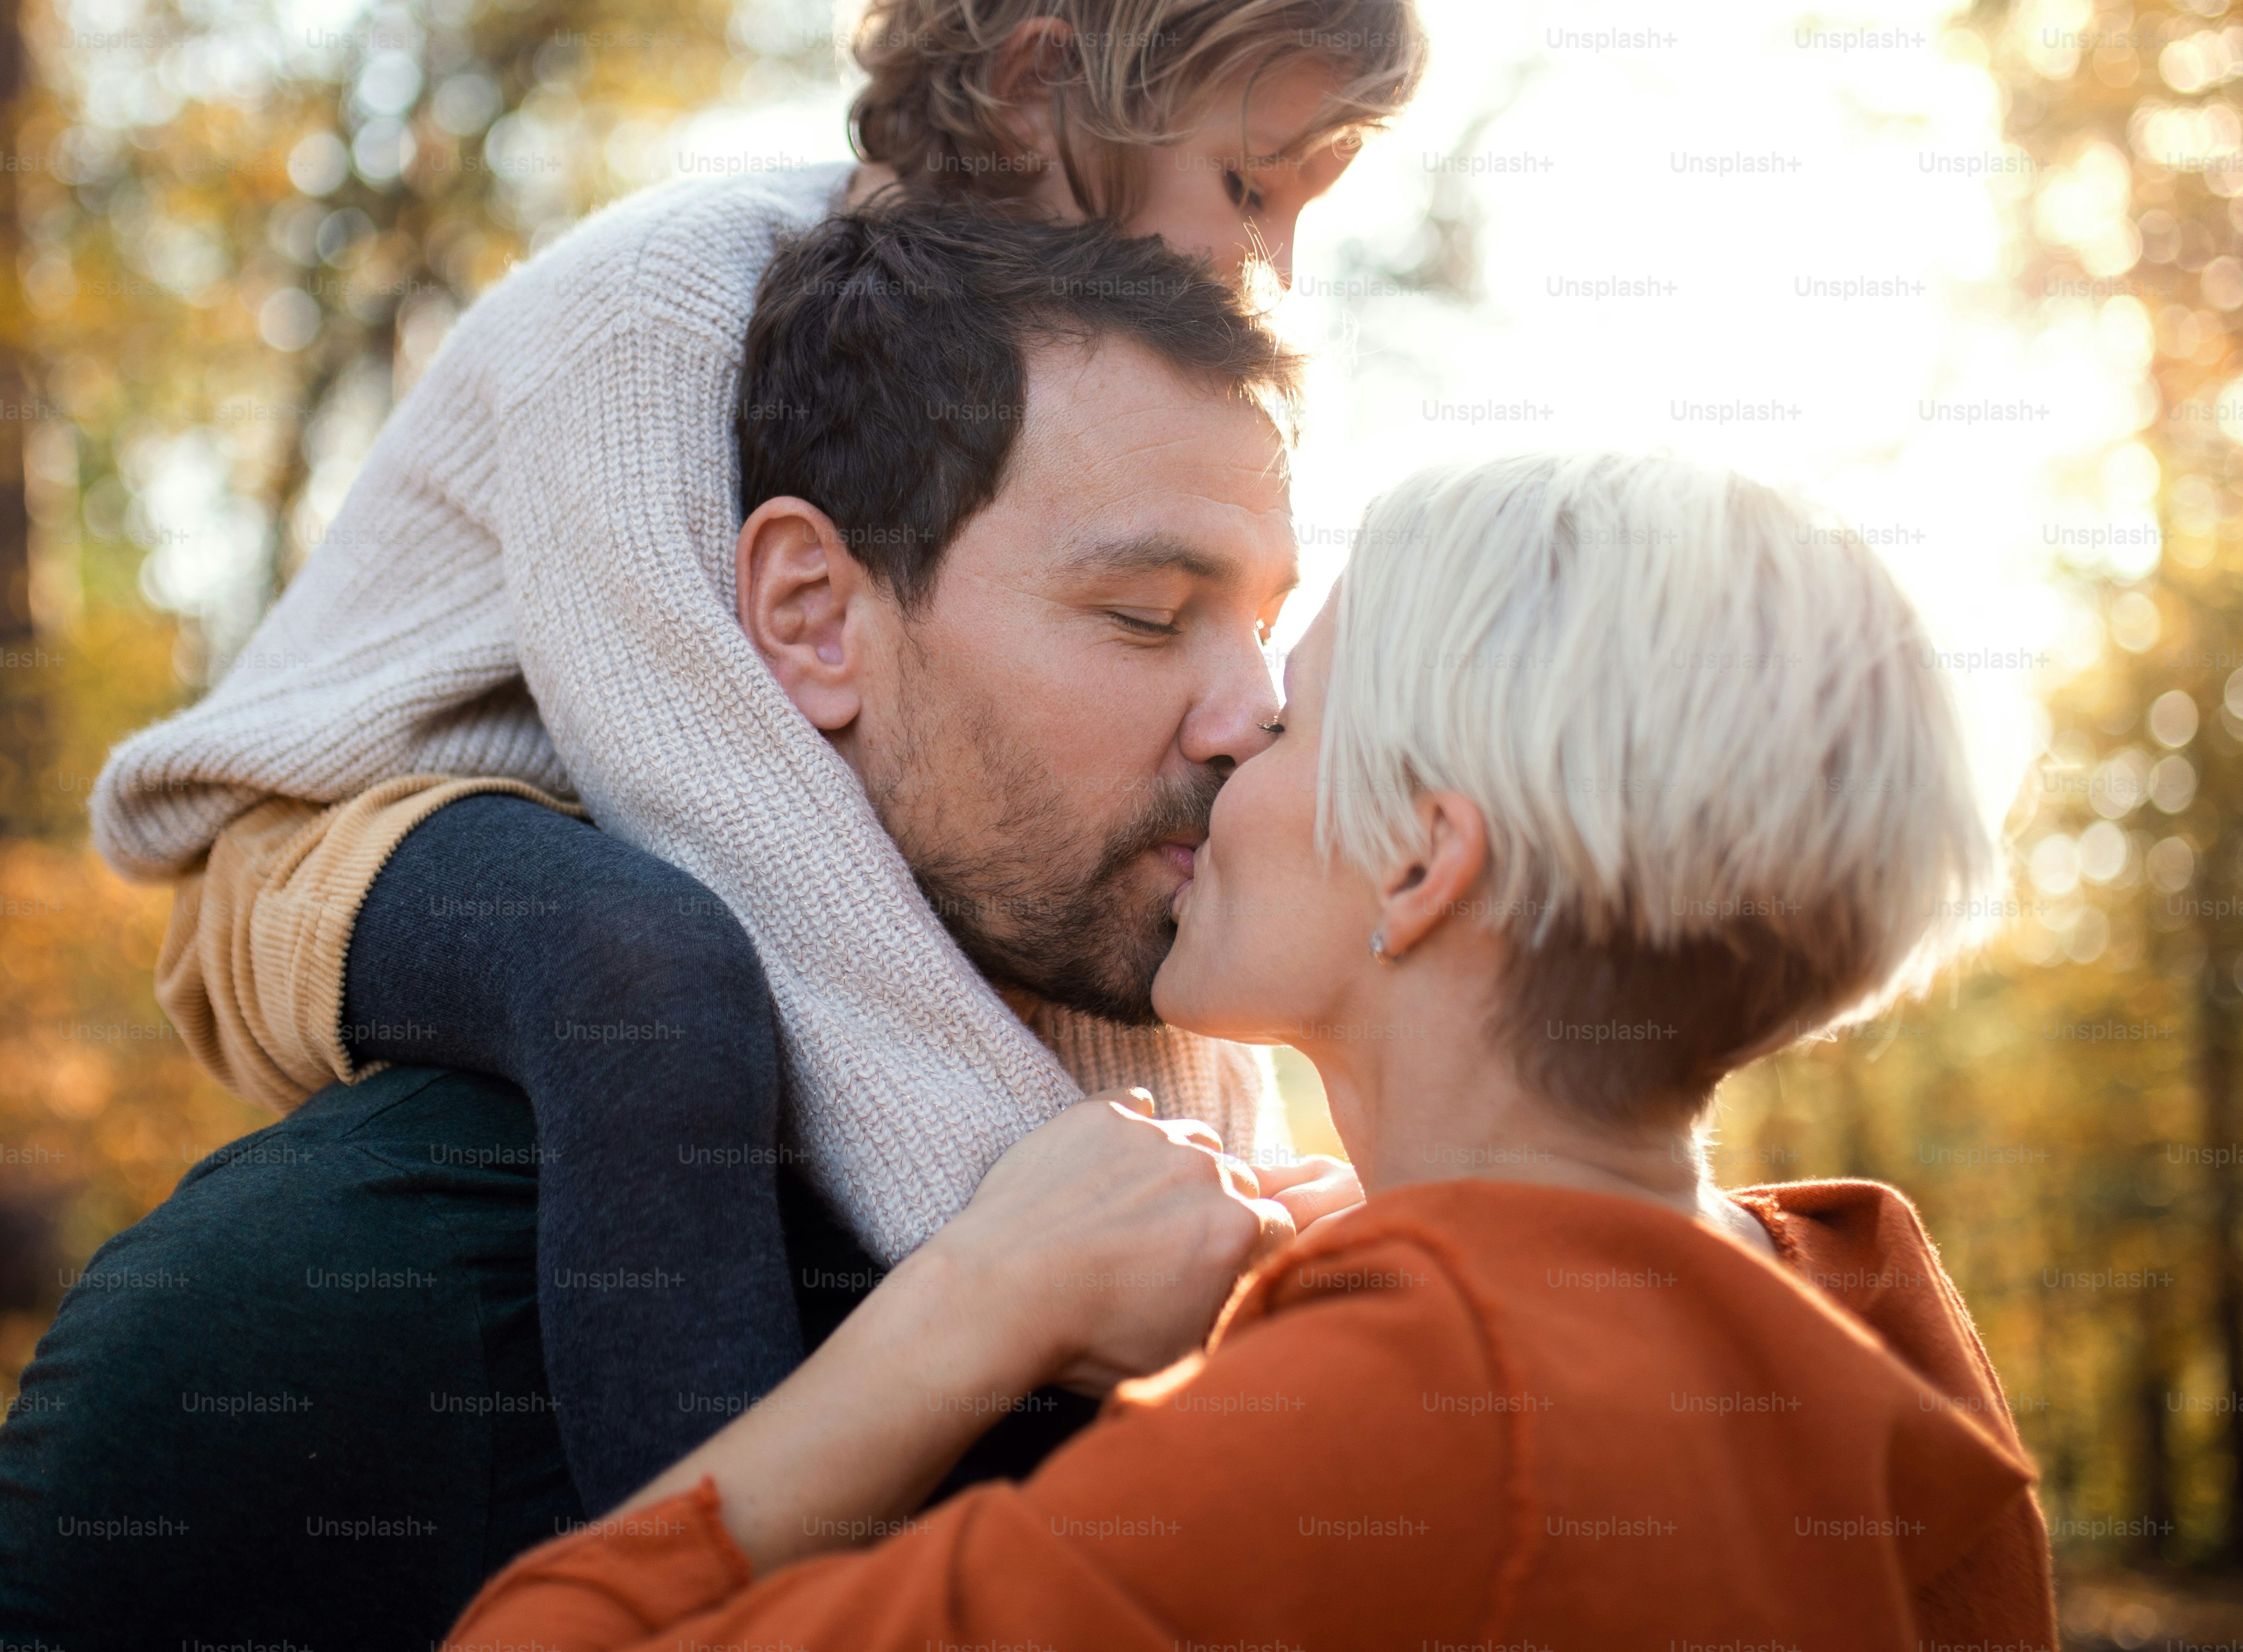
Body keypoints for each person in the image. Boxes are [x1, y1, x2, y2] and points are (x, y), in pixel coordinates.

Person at [80, 0, 1420, 1513]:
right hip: (343, 831)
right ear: (1044, 87)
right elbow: (728, 815)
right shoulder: (658, 308)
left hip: (636, 785)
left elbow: (1077, 872)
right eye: (1249, 187)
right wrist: (1031, 1244)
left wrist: (1228, 1214)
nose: (1271, 265)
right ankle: (699, 1568)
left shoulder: (1049, 394)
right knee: (640, 970)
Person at [446, 452, 2061, 1651]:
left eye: (1288, 724)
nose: (1228, 740)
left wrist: (977, 1297)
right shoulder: (1868, 1319)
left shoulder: (1403, 1424)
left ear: (1425, 865)